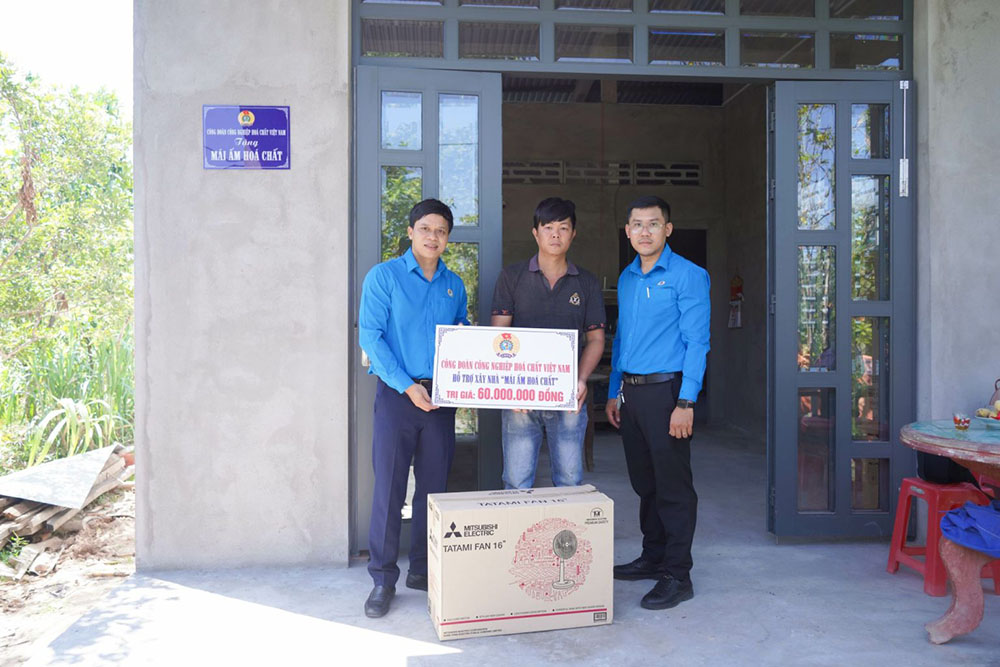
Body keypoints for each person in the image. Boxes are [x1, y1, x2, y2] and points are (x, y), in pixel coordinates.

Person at [358, 199, 469, 618]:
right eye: (425, 228)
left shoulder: (454, 285)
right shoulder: (384, 277)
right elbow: (371, 337)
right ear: (410, 232)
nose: (432, 237)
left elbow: (459, 335)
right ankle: (382, 579)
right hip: (397, 397)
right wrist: (407, 387)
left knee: (434, 488)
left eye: (440, 231)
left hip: (440, 400)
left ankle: (423, 569)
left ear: (448, 238)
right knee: (389, 488)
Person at [605, 195, 710, 611]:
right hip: (631, 393)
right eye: (637, 224)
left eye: (653, 224)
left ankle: (677, 574)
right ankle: (653, 556)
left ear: (668, 229)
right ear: (627, 231)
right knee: (645, 483)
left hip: (669, 393)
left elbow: (697, 342)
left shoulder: (689, 275)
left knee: (673, 487)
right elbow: (621, 339)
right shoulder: (627, 277)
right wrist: (613, 391)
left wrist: (686, 401)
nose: (644, 231)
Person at [491, 197, 606, 489]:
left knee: (569, 480)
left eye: (563, 228)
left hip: (567, 394)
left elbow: (595, 339)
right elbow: (499, 337)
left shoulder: (587, 283)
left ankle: (564, 525)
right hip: (521, 395)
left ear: (573, 234)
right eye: (548, 227)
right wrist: (509, 386)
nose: (556, 235)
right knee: (516, 481)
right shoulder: (512, 277)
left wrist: (580, 379)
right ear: (535, 233)